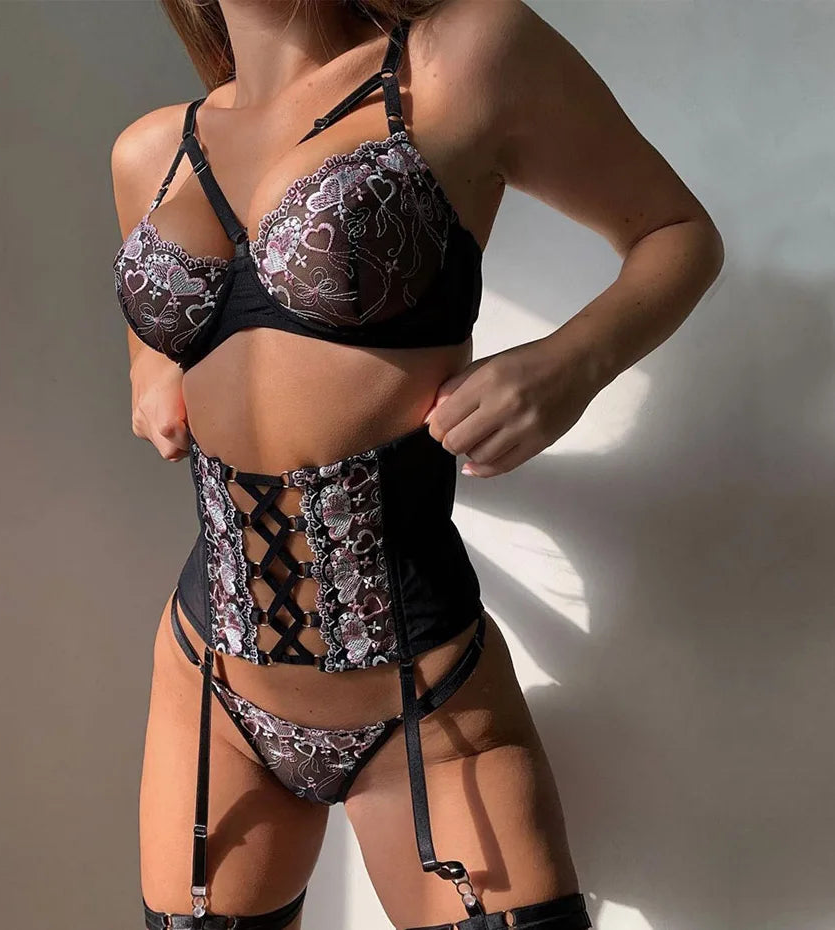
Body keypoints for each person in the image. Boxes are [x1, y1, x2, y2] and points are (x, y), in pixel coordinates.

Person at [109, 0, 724, 927]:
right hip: (209, 685)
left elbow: (678, 234)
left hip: (425, 702)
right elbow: (160, 347)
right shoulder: (149, 151)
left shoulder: (458, 58)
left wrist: (568, 366)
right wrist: (153, 371)